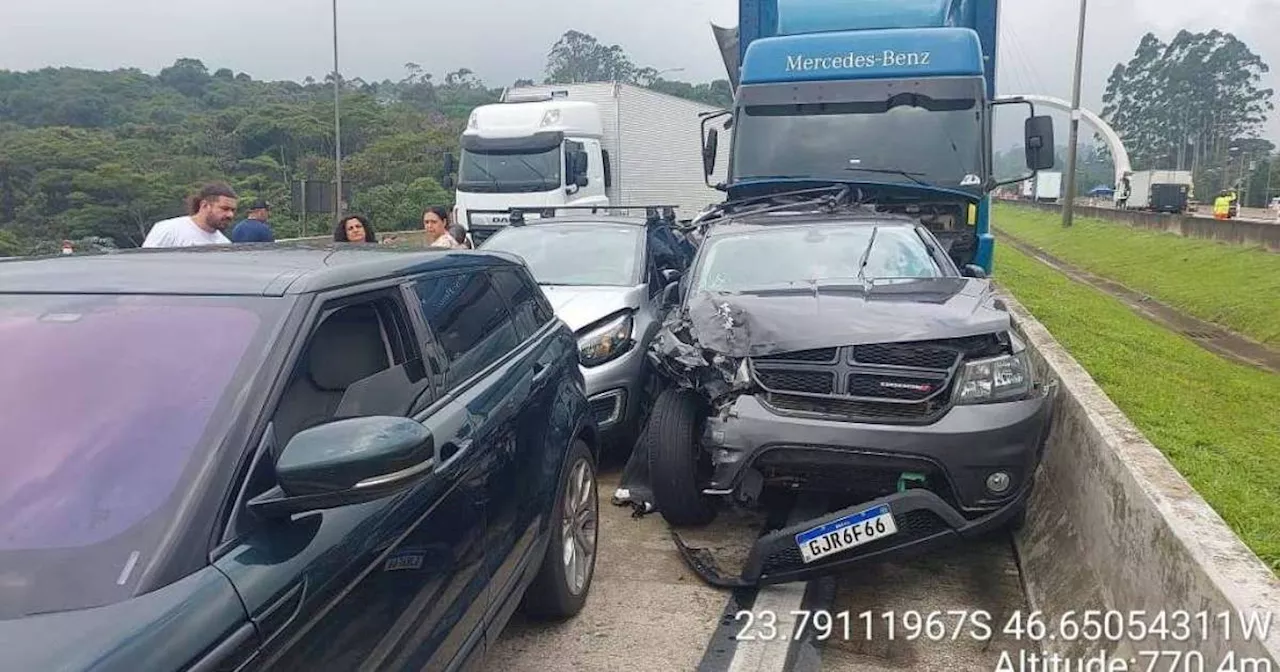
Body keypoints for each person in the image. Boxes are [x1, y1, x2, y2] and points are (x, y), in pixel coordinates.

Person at [142, 183, 238, 247]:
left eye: (233, 210)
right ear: (204, 205)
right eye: (224, 209)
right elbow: (144, 265)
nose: (230, 215)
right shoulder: (169, 230)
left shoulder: (224, 244)